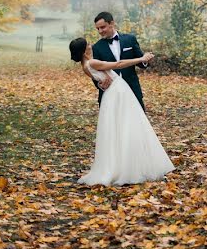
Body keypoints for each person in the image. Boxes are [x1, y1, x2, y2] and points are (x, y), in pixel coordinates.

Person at [69, 37, 174, 185]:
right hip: (118, 94)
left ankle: (124, 164)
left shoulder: (85, 65)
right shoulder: (92, 62)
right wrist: (141, 58)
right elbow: (118, 64)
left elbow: (102, 78)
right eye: (88, 44)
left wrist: (101, 83)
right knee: (129, 126)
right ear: (84, 49)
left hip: (112, 95)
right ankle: (129, 167)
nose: (91, 45)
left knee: (119, 129)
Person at [91, 11, 148, 111]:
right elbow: (95, 72)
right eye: (98, 28)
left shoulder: (130, 39)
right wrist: (99, 84)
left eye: (103, 27)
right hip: (110, 92)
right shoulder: (96, 47)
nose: (100, 31)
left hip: (132, 89)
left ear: (112, 23)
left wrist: (145, 60)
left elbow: (141, 62)